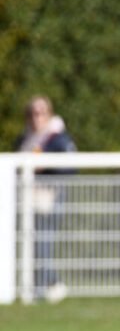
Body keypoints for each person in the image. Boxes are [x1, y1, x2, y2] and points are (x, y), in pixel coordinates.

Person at [14, 95, 77, 303]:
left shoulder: (58, 138)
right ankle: (40, 285)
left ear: (49, 114)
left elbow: (70, 167)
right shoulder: (25, 139)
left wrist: (46, 166)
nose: (36, 117)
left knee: (43, 242)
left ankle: (48, 284)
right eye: (32, 113)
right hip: (26, 199)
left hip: (49, 198)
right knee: (31, 243)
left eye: (41, 113)